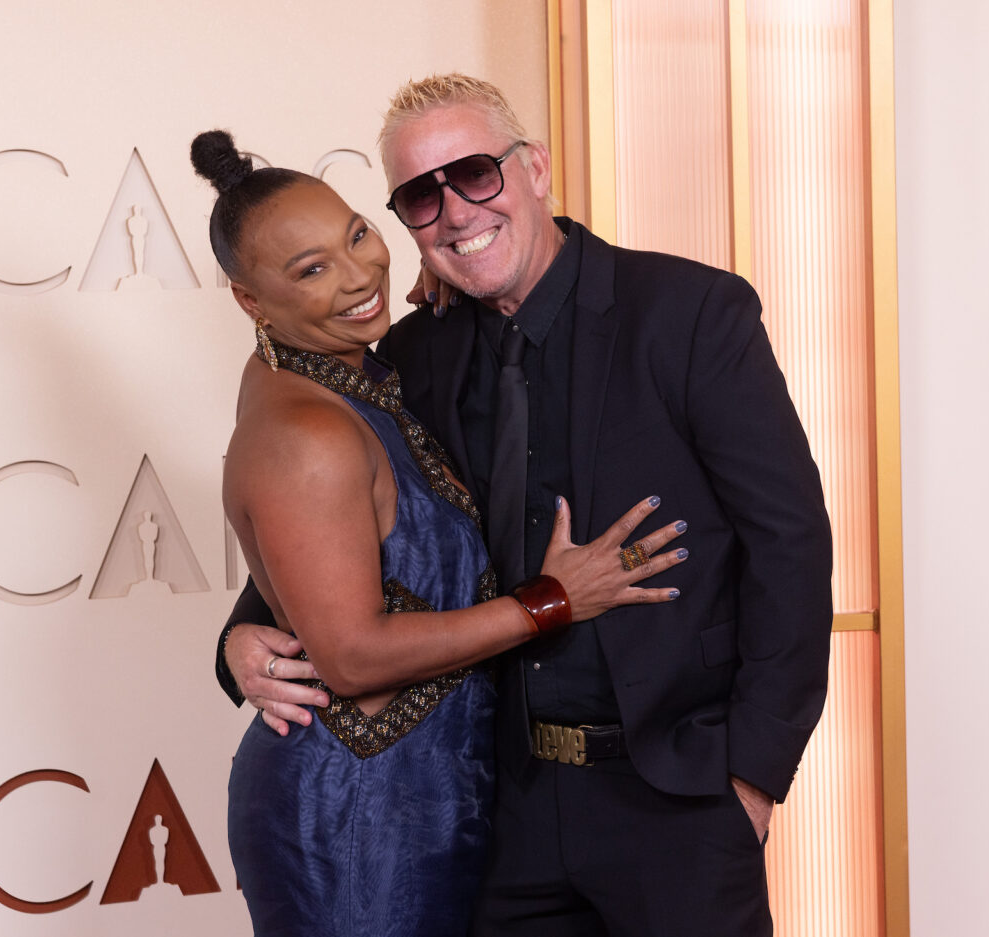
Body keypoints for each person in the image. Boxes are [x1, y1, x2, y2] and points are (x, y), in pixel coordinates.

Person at [219, 73, 833, 936]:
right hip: (502, 809)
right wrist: (239, 636)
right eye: (419, 199)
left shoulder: (689, 313)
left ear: (535, 168)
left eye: (474, 173)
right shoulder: (414, 352)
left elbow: (791, 542)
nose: (456, 213)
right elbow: (338, 529)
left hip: (676, 801)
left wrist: (753, 775)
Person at [191, 128, 686, 937]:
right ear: (251, 300)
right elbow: (349, 654)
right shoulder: (305, 431)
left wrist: (450, 276)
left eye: (357, 235)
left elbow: (322, 563)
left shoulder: (345, 368)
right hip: (354, 820)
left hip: (425, 800)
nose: (358, 275)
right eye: (311, 269)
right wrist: (554, 600)